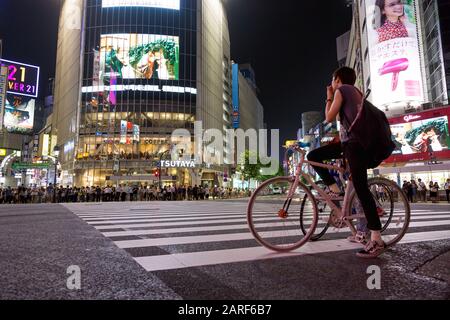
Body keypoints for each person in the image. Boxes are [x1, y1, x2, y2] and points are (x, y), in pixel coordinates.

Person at [307, 66, 386, 258]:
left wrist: (328, 96)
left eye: (333, 80)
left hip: (355, 145)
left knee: (361, 188)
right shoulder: (355, 91)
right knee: (314, 156)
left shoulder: (343, 90)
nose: (332, 83)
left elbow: (328, 117)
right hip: (349, 145)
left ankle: (376, 238)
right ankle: (336, 190)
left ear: (337, 79)